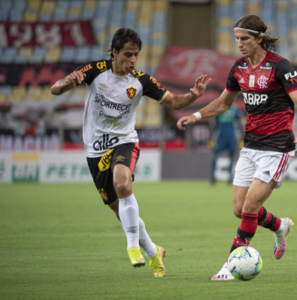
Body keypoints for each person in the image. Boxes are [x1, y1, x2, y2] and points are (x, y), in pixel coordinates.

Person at [51, 28, 210, 277]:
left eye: (136, 55)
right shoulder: (95, 71)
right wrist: (68, 81)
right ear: (114, 52)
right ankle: (154, 252)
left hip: (125, 141)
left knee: (123, 185)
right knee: (119, 210)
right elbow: (55, 90)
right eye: (128, 54)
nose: (133, 60)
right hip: (95, 150)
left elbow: (175, 102)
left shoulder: (141, 81)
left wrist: (193, 95)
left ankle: (132, 246)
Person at [177, 15, 297, 281]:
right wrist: (196, 116)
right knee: (239, 209)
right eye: (237, 39)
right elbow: (224, 103)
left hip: (277, 148)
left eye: (245, 39)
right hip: (250, 147)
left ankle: (229, 265)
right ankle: (280, 225)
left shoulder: (279, 66)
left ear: (259, 38)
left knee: (250, 207)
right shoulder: (238, 68)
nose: (239, 44)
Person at [209, 105, 243, 185]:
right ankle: (212, 177)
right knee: (215, 154)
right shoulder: (219, 108)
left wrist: (241, 136)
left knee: (231, 155)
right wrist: (212, 137)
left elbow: (239, 123)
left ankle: (230, 178)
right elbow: (214, 124)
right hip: (221, 136)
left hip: (231, 136)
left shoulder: (235, 109)